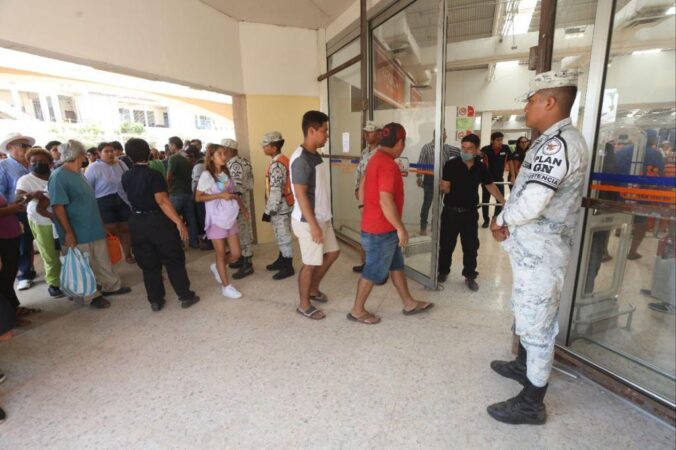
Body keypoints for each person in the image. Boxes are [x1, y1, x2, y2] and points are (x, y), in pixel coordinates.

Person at [488, 69, 588, 425]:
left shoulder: (558, 144)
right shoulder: (552, 139)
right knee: (526, 311)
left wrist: (501, 220)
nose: (527, 107)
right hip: (532, 249)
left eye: (531, 100)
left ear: (550, 101)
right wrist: (506, 220)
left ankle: (532, 402)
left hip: (543, 253)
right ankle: (522, 365)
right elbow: (524, 190)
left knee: (538, 324)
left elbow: (532, 203)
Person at [348, 123, 434, 324]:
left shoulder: (374, 158)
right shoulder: (387, 164)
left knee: (396, 266)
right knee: (372, 270)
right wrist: (401, 228)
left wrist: (366, 211)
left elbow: (361, 190)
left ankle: (409, 303)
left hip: (375, 225)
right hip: (381, 229)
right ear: (400, 142)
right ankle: (357, 310)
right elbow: (386, 200)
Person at [49, 140, 132, 309]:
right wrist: (69, 233)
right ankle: (90, 296)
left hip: (93, 226)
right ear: (78, 155)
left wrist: (100, 223)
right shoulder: (59, 176)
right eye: (84, 154)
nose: (86, 157)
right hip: (76, 230)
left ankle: (111, 286)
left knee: (102, 259)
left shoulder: (79, 173)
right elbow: (58, 207)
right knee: (83, 265)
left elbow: (90, 201)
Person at [121, 138, 199, 311]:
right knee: (173, 259)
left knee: (148, 263)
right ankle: (185, 295)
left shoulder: (126, 176)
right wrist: (179, 222)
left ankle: (155, 300)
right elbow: (162, 201)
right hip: (158, 221)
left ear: (128, 155)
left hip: (137, 221)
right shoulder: (153, 175)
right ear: (148, 152)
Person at [437, 133, 506, 291]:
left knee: (470, 246)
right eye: (463, 147)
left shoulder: (480, 167)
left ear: (476, 150)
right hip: (451, 212)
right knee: (446, 244)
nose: (465, 151)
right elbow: (445, 188)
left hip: (469, 214)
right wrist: (443, 187)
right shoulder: (451, 165)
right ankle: (442, 271)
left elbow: (490, 185)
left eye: (469, 148)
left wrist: (503, 201)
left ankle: (469, 275)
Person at [290, 111, 339, 320]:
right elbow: (300, 195)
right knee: (310, 263)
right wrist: (314, 226)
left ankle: (313, 288)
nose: (327, 135)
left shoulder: (314, 153)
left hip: (322, 217)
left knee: (332, 253)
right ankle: (303, 305)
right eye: (324, 130)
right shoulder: (300, 159)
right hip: (308, 221)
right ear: (311, 131)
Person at [195, 144, 246, 298]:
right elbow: (198, 198)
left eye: (224, 154)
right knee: (221, 254)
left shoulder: (224, 173)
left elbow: (231, 193)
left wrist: (243, 208)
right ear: (211, 157)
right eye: (220, 154)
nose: (224, 157)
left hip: (229, 217)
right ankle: (226, 286)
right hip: (216, 219)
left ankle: (218, 267)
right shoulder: (206, 175)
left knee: (236, 253)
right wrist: (219, 196)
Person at [15, 148, 64, 298]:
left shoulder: (56, 175)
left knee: (68, 251)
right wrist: (30, 195)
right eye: (33, 162)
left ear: (50, 163)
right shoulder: (26, 180)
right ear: (28, 164)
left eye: (42, 162)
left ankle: (70, 278)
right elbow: (17, 200)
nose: (37, 164)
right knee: (49, 254)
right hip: (41, 220)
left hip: (61, 218)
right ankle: (53, 284)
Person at [85, 142, 135, 264]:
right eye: (106, 151)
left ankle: (128, 255)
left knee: (126, 228)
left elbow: (128, 180)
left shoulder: (121, 163)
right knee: (109, 231)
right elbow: (88, 188)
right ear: (99, 153)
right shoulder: (93, 168)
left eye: (112, 151)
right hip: (104, 202)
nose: (110, 154)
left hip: (122, 200)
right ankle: (110, 258)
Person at [0, 133, 37, 291]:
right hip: (17, 211)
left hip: (39, 207)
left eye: (28, 146)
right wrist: (12, 207)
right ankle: (24, 274)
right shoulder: (3, 166)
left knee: (38, 241)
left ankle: (32, 268)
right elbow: (1, 192)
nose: (27, 149)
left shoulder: (33, 163)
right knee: (23, 243)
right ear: (10, 148)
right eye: (23, 146)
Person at [261, 131, 295, 280]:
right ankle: (281, 259)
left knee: (283, 236)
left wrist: (268, 211)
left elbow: (276, 190)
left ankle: (288, 266)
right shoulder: (284, 160)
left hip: (280, 207)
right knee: (282, 235)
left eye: (265, 145)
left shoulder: (276, 165)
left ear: (274, 147)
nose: (263, 148)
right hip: (286, 204)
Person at [416, 129, 460, 235]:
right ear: (437, 135)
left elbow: (461, 152)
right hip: (429, 180)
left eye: (445, 135)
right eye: (444, 135)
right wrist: (419, 177)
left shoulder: (447, 148)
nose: (446, 137)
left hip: (442, 181)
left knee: (438, 204)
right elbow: (421, 162)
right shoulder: (426, 148)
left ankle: (434, 226)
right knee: (427, 204)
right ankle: (423, 228)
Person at [352, 121, 381, 273]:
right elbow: (358, 171)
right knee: (365, 230)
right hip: (364, 198)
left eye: (370, 132)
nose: (366, 135)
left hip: (376, 199)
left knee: (375, 233)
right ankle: (365, 263)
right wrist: (357, 188)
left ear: (379, 133)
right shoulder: (365, 151)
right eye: (365, 132)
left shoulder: (382, 153)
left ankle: (376, 266)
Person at [224, 139, 255, 279]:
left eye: (223, 149)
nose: (222, 152)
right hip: (241, 202)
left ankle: (247, 264)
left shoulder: (235, 164)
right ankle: (243, 259)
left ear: (229, 149)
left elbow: (237, 188)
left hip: (239, 204)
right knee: (242, 232)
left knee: (243, 233)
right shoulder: (243, 161)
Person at [0, 191, 31, 325]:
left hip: (10, 235)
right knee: (5, 277)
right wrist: (11, 209)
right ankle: (8, 318)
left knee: (10, 274)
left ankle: (13, 308)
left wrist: (14, 204)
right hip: (3, 238)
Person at [166, 136, 200, 249]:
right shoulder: (188, 158)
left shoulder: (174, 158)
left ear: (174, 145)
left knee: (173, 219)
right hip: (188, 192)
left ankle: (177, 243)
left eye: (170, 145)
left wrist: (169, 189)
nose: (169, 147)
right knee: (191, 219)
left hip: (176, 193)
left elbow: (169, 177)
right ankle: (194, 242)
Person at [480, 132, 510, 228]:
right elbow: (476, 160)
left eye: (501, 140)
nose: (500, 142)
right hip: (486, 180)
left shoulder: (505, 149)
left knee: (500, 200)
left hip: (499, 179)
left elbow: (511, 161)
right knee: (485, 200)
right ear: (492, 140)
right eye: (498, 140)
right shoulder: (485, 149)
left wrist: (513, 175)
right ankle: (486, 219)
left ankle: (495, 218)